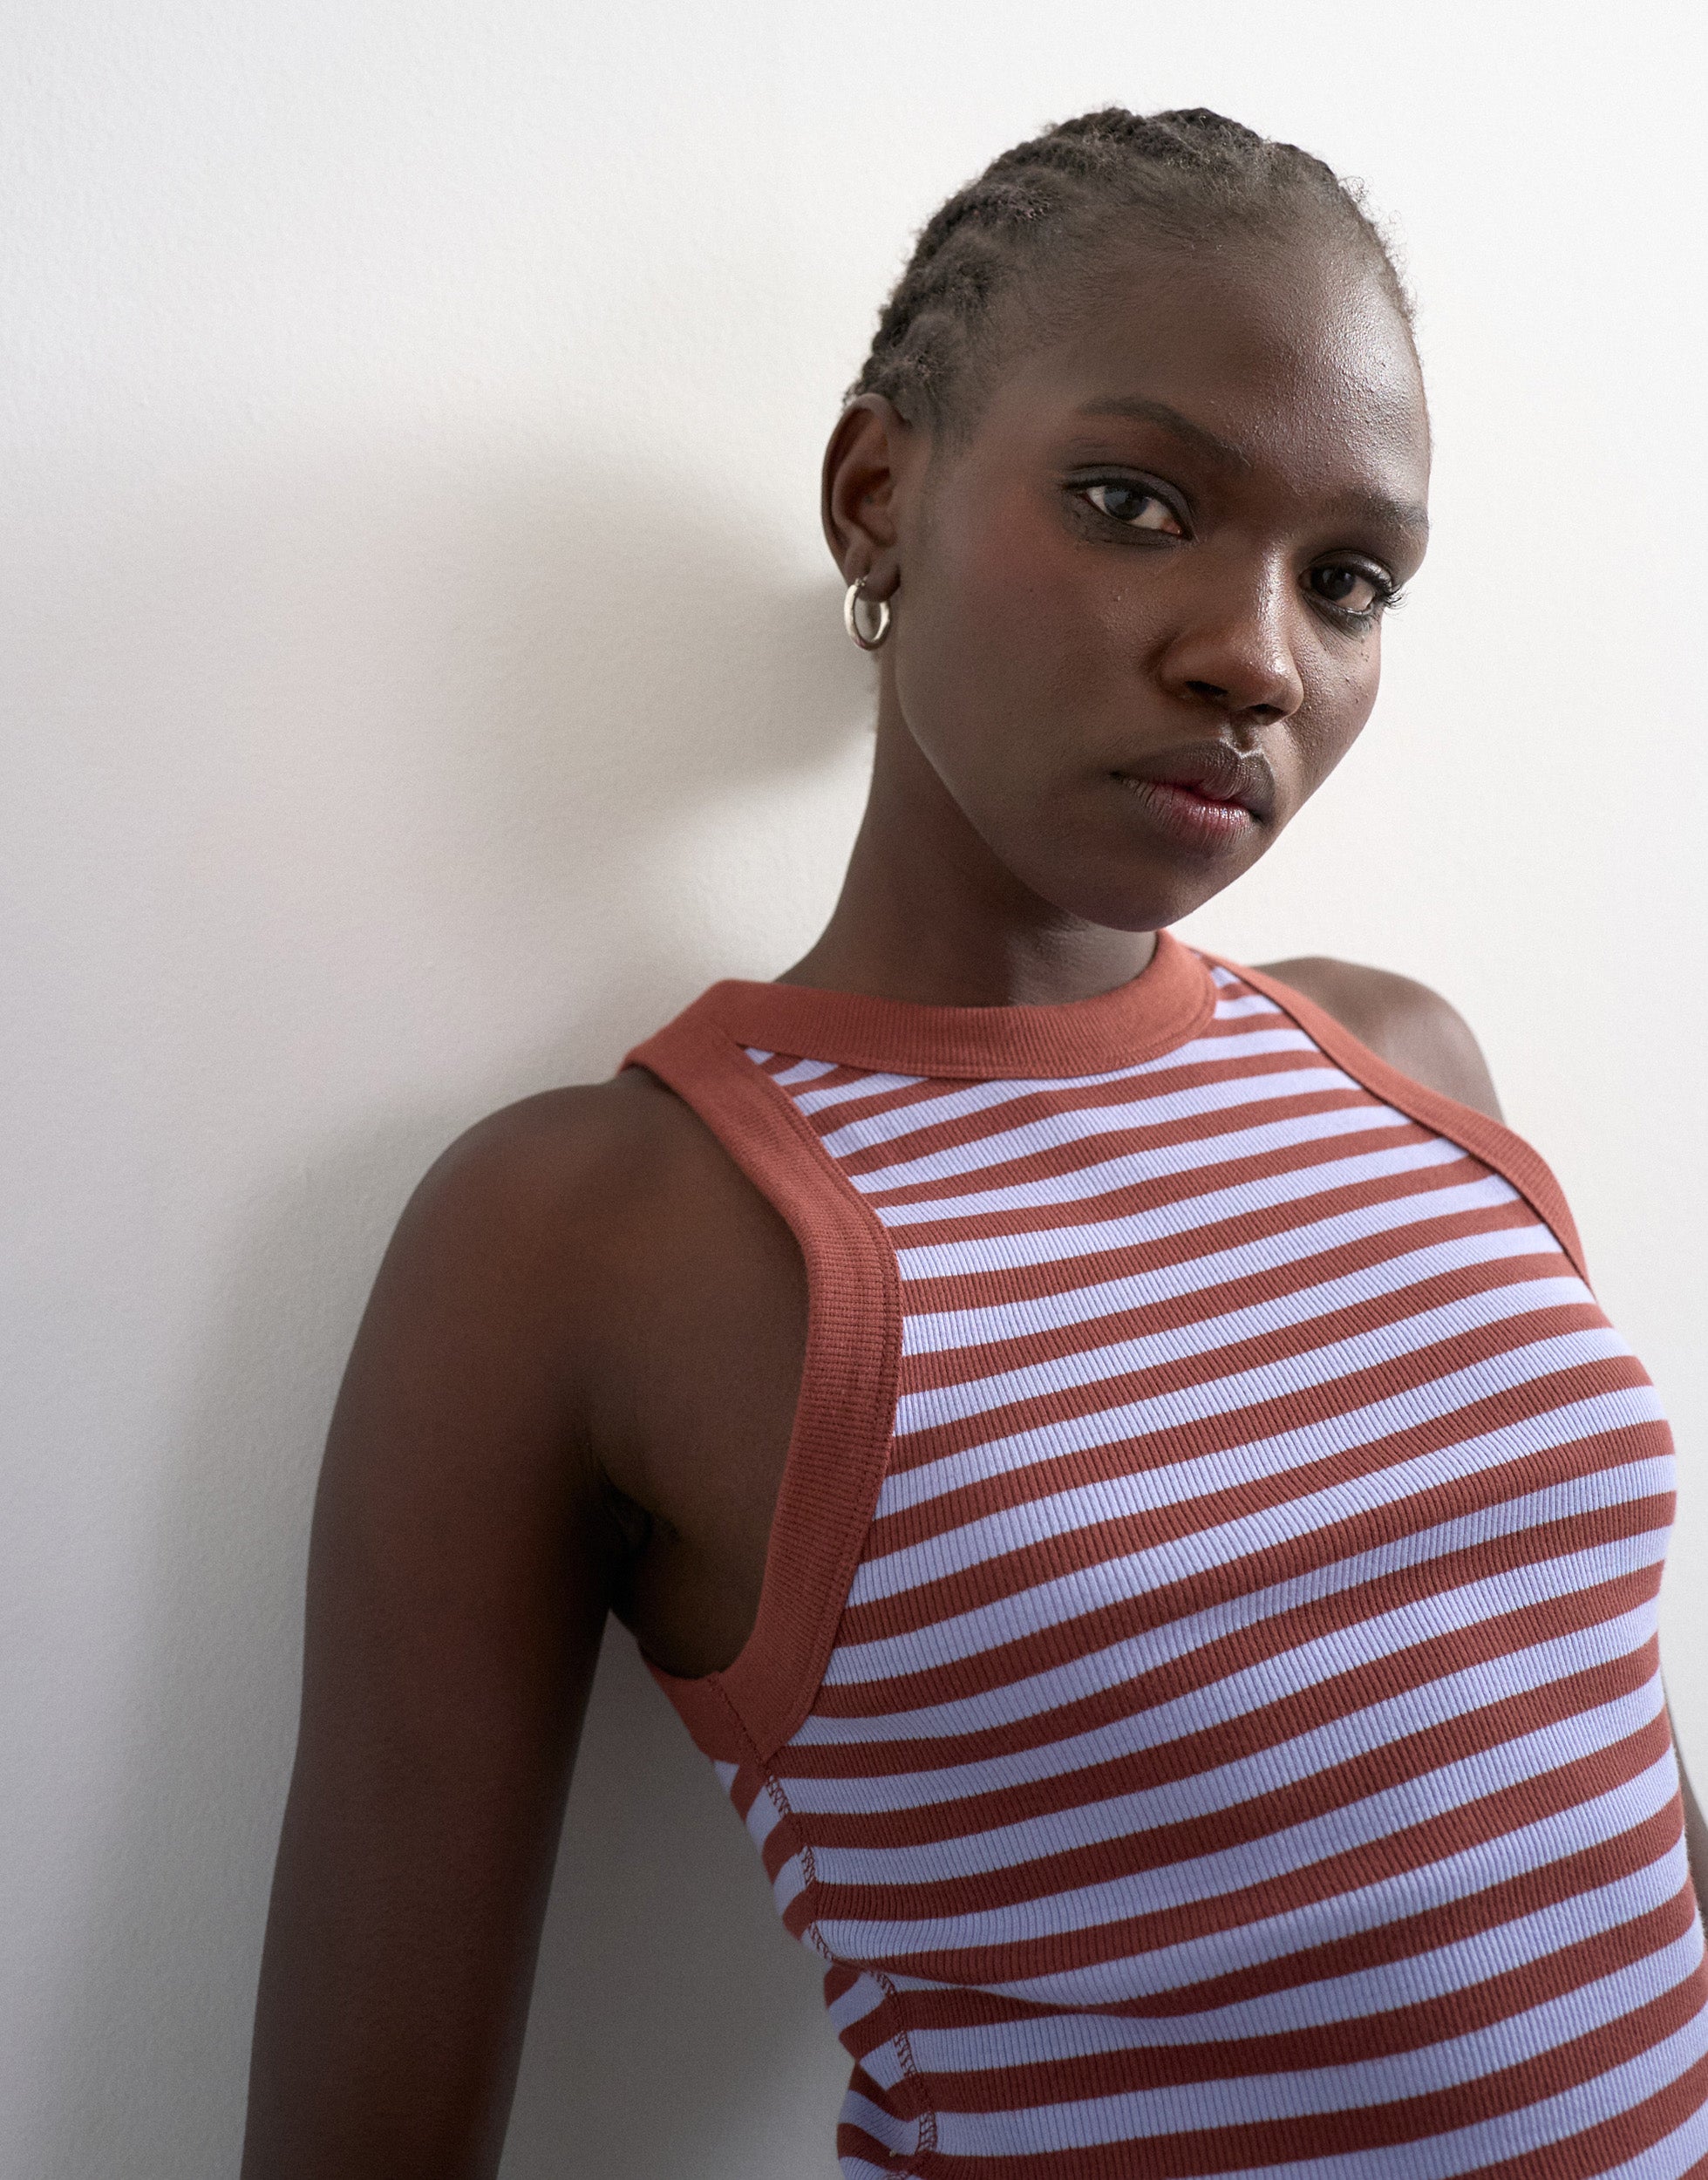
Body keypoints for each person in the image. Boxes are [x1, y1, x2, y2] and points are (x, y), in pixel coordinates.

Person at [240, 107, 1708, 2180]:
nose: (1254, 655)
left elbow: (1604, 1788)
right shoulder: (603, 1233)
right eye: (1132, 503)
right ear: (878, 496)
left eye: (1346, 579)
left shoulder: (1404, 1067)